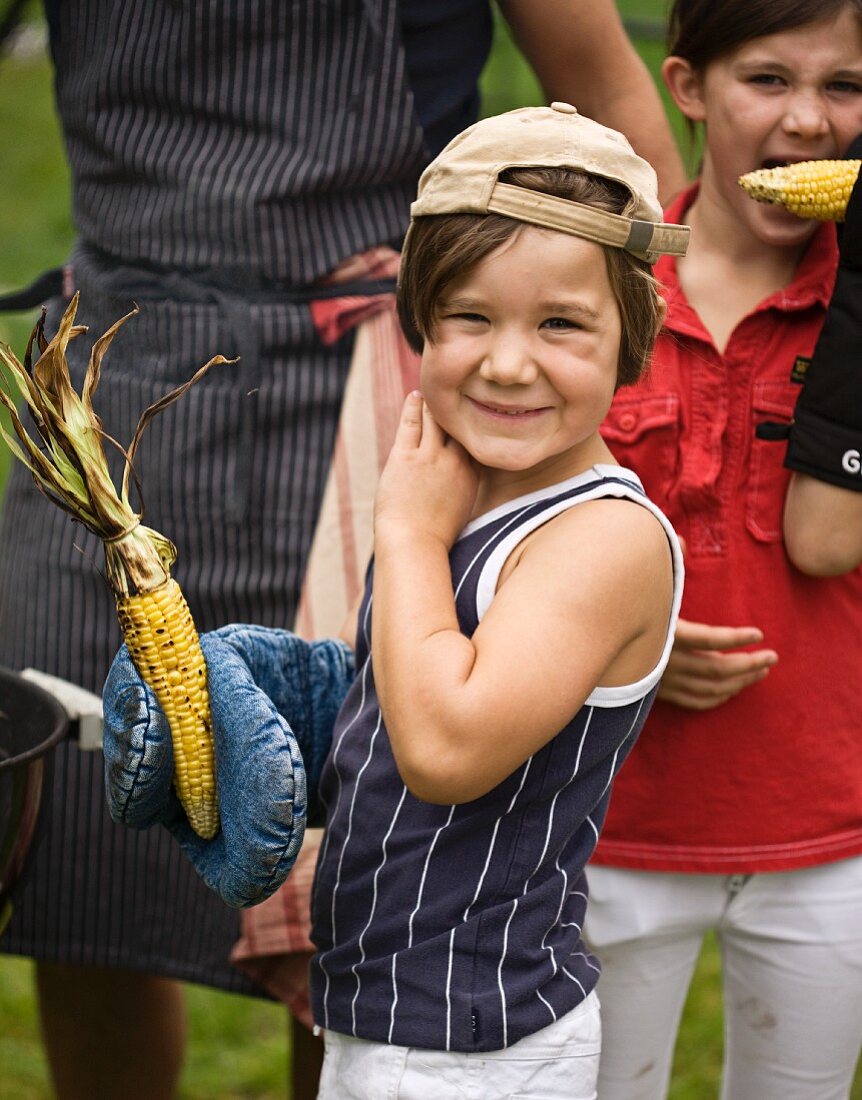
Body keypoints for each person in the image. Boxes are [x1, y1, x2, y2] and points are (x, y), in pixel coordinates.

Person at [0, 4, 687, 1098]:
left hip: (468, 1033)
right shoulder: (475, 479)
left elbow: (446, 749)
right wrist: (288, 694)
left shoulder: (568, 524)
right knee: (82, 869)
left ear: (626, 338)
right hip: (126, 350)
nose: (516, 360)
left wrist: (406, 524)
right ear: (436, 314)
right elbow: (384, 718)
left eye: (561, 328)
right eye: (476, 320)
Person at [582, 1, 862, 1097]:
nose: (808, 122)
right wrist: (624, 641)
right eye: (767, 80)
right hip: (605, 823)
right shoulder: (594, 290)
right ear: (687, 88)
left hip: (827, 829)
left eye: (844, 87)